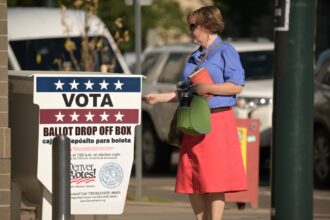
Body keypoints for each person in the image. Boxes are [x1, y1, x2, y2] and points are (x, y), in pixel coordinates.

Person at [143, 6, 247, 220]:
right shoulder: (195, 56)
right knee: (192, 177)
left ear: (208, 26)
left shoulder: (226, 51)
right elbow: (184, 90)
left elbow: (236, 86)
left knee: (214, 178)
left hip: (216, 120)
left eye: (193, 26)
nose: (190, 31)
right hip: (191, 120)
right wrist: (159, 98)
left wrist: (209, 88)